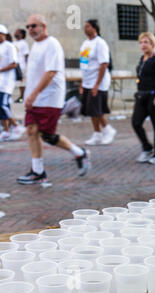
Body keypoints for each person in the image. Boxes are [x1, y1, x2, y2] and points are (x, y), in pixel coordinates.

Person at [17, 14, 90, 184]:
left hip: (49, 98)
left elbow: (51, 72)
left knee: (47, 135)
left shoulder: (52, 44)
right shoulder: (35, 45)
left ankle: (79, 152)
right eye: (28, 27)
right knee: (31, 131)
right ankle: (37, 171)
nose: (30, 30)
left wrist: (34, 94)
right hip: (34, 98)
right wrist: (29, 95)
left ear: (43, 25)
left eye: (33, 26)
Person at [79, 19, 116, 146]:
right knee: (90, 110)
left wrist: (96, 84)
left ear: (95, 28)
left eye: (88, 26)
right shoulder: (85, 44)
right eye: (85, 26)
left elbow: (104, 64)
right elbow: (84, 64)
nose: (85, 28)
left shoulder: (100, 43)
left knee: (96, 109)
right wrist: (82, 83)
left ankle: (108, 130)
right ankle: (97, 134)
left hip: (98, 82)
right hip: (87, 82)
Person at [132, 32, 155, 164]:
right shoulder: (142, 59)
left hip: (154, 95)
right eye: (141, 42)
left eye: (146, 42)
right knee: (136, 122)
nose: (143, 45)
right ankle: (147, 147)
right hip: (142, 95)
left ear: (152, 44)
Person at [13, 28, 29, 104]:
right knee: (18, 83)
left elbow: (26, 55)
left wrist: (27, 66)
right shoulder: (14, 43)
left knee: (22, 82)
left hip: (22, 66)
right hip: (15, 65)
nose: (15, 33)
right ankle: (21, 97)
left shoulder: (24, 43)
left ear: (21, 34)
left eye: (17, 32)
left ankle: (22, 97)